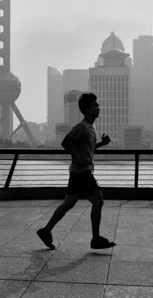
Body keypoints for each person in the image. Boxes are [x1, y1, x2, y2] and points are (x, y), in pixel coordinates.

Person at [36, 92, 116, 250]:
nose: (98, 108)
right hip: (82, 173)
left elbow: (88, 149)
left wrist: (102, 144)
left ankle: (46, 231)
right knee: (98, 200)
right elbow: (65, 142)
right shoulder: (81, 127)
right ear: (86, 109)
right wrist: (77, 157)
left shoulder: (91, 127)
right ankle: (95, 238)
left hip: (77, 172)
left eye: (97, 105)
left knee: (68, 203)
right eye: (95, 106)